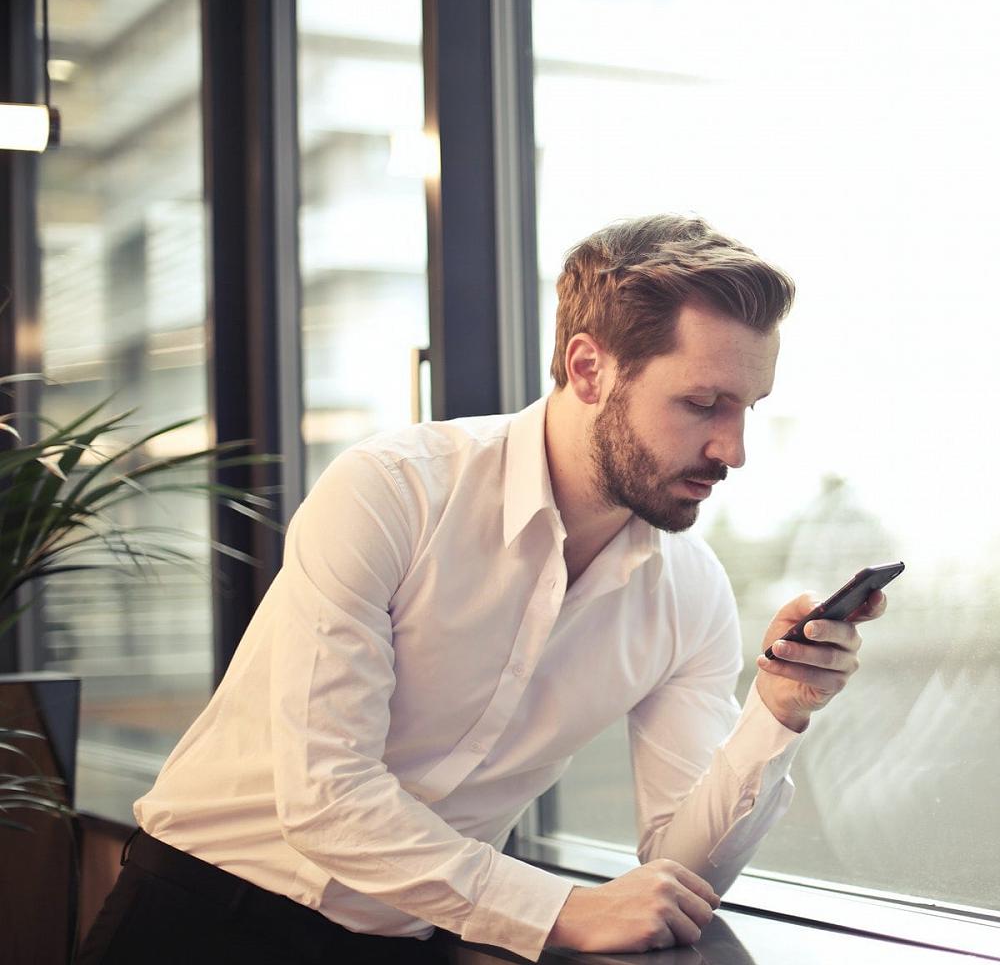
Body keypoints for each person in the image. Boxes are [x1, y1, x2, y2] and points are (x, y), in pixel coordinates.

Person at [79, 214, 887, 965]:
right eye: (703, 404)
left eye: (747, 407)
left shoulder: (691, 596)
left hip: (415, 941)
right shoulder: (392, 491)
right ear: (588, 368)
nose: (734, 449)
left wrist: (777, 715)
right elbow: (326, 796)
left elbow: (677, 876)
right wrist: (558, 908)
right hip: (201, 916)